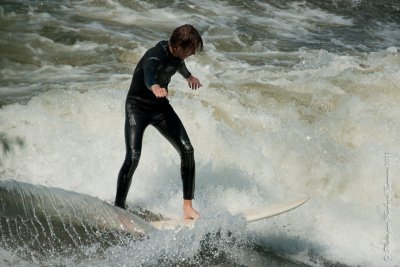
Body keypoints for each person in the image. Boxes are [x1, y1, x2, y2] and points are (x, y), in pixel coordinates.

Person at [115, 24, 203, 220]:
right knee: (133, 157)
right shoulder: (154, 54)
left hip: (160, 108)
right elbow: (149, 73)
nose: (193, 52)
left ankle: (188, 207)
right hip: (137, 109)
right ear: (178, 46)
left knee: (187, 150)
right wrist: (154, 86)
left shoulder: (176, 56)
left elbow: (177, 64)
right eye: (191, 49)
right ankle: (119, 209)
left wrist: (189, 76)